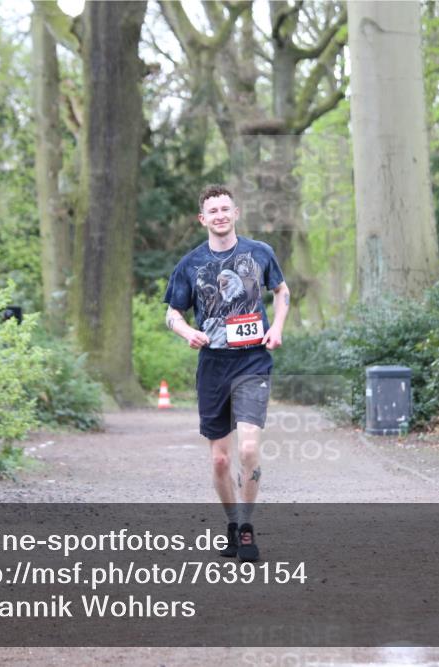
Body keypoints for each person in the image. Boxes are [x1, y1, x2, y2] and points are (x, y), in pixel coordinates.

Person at [163, 184, 290, 563]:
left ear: (236, 213)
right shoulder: (190, 265)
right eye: (212, 210)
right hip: (214, 365)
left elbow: (281, 291)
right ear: (203, 219)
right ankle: (233, 524)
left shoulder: (260, 253)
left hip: (252, 361)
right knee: (220, 459)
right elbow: (172, 314)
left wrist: (278, 327)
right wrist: (188, 332)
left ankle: (248, 528)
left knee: (248, 448)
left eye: (225, 208)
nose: (219, 215)